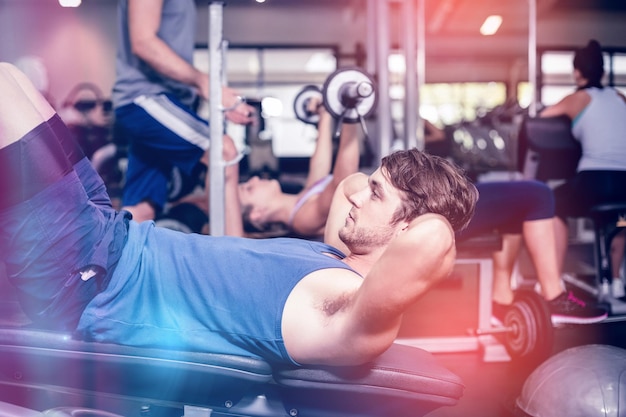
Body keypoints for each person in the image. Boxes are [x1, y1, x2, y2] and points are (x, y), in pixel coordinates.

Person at [0, 62, 478, 366]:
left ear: (407, 229)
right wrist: (367, 159)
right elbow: (347, 186)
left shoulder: (342, 313)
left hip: (90, 278)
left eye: (376, 196)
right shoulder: (335, 256)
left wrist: (428, 218)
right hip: (112, 236)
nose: (357, 196)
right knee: (15, 76)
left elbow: (431, 239)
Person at [112, 0, 255, 226]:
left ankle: (103, 258)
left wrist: (209, 92)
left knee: (143, 210)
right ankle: (231, 255)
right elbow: (143, 43)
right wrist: (205, 83)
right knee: (223, 151)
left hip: (164, 102)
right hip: (146, 98)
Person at [539, 39, 626, 300]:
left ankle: (554, 280)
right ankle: (616, 280)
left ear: (577, 72)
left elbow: (539, 119)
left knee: (552, 204)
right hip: (624, 182)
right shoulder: (620, 97)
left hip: (594, 180)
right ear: (601, 72)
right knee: (621, 218)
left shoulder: (577, 98)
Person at [457, 181, 608, 325]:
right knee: (539, 194)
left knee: (516, 205)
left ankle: (500, 303)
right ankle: (553, 297)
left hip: (440, 196)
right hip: (440, 201)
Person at [237, 96, 361, 238]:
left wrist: (324, 113)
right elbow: (343, 183)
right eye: (249, 188)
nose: (253, 179)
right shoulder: (303, 220)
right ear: (257, 213)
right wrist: (350, 114)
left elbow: (320, 165)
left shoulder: (301, 200)